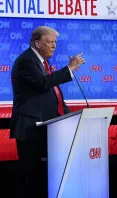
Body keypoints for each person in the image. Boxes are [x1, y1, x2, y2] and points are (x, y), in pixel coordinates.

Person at [10, 26, 85, 198]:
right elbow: (43, 84)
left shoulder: (43, 62)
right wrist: (69, 69)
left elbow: (53, 95)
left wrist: (73, 117)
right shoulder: (27, 61)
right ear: (37, 43)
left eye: (55, 42)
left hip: (43, 129)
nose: (54, 46)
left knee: (43, 178)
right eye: (50, 42)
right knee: (31, 178)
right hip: (30, 129)